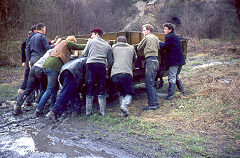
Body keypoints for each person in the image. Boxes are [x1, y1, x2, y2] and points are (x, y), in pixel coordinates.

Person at [34, 36, 85, 116]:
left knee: (54, 89)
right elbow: (78, 47)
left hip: (46, 66)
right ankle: (38, 109)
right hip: (53, 67)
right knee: (50, 89)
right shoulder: (67, 42)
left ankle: (52, 107)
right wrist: (89, 44)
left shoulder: (60, 46)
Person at [82, 27, 113, 116]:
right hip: (101, 66)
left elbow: (84, 54)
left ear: (97, 34)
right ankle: (102, 111)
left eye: (92, 34)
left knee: (90, 86)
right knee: (101, 87)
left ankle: (88, 112)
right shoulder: (107, 45)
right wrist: (106, 67)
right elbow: (110, 61)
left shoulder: (90, 42)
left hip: (91, 65)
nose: (91, 36)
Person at [13, 49, 51, 115]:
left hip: (34, 68)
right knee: (45, 89)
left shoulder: (49, 51)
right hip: (40, 70)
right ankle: (38, 105)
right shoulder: (55, 52)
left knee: (28, 89)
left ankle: (17, 107)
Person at [111, 36, 137, 117]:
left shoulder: (113, 48)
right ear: (126, 41)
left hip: (114, 74)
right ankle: (124, 106)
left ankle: (123, 113)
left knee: (122, 92)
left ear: (117, 41)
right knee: (130, 92)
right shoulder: (131, 48)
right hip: (126, 73)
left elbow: (110, 60)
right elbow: (135, 59)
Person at [159, 23, 186, 100]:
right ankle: (182, 91)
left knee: (172, 77)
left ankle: (170, 95)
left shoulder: (169, 36)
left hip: (174, 61)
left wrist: (159, 42)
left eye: (165, 29)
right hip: (180, 60)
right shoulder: (175, 36)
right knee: (176, 76)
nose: (164, 30)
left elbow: (164, 46)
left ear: (170, 30)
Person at [137, 24, 160, 110]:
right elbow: (158, 47)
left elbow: (139, 47)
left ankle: (152, 105)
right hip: (156, 61)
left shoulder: (146, 38)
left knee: (149, 84)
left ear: (148, 30)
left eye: (143, 30)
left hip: (150, 61)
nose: (142, 32)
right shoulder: (156, 38)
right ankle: (156, 103)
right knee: (152, 83)